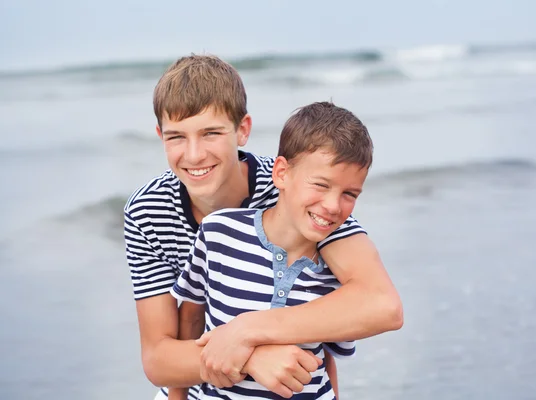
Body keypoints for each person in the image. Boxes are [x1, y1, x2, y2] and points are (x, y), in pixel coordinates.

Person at [123, 54, 403, 400]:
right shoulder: (147, 212)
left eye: (211, 133)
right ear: (159, 136)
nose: (194, 155)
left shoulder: (298, 190)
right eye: (176, 137)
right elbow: (158, 359)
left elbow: (380, 304)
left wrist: (248, 331)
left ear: (243, 130)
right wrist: (251, 356)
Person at [170, 101, 375, 399]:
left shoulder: (336, 270)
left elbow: (325, 361)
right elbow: (189, 321)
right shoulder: (218, 234)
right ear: (281, 173)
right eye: (321, 185)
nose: (333, 205)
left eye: (349, 194)